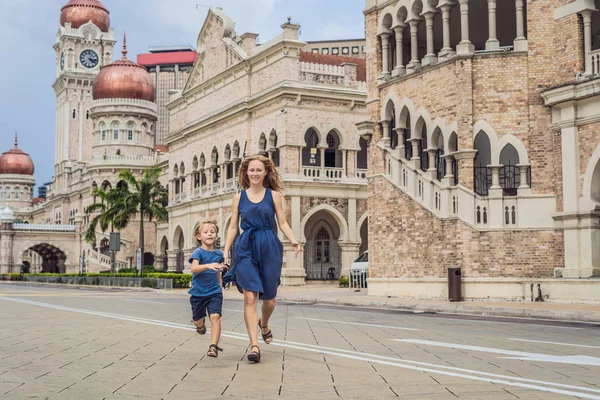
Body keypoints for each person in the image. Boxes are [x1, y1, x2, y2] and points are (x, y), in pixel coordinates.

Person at [223, 155, 301, 363]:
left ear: (266, 172)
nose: (255, 173)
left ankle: (264, 323)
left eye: (259, 170)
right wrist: (225, 250)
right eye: (251, 170)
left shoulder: (274, 196)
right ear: (246, 173)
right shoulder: (238, 197)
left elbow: (282, 222)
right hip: (245, 246)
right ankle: (254, 346)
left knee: (270, 299)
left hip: (268, 245)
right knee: (250, 297)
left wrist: (293, 240)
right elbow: (233, 227)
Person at [189, 220, 226, 358]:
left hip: (214, 292)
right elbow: (194, 269)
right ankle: (200, 325)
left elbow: (218, 272)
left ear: (216, 235)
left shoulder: (219, 254)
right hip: (198, 293)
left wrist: (220, 285)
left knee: (215, 317)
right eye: (206, 232)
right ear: (199, 236)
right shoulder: (198, 252)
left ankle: (213, 346)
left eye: (212, 232)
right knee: (197, 320)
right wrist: (208, 265)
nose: (209, 234)